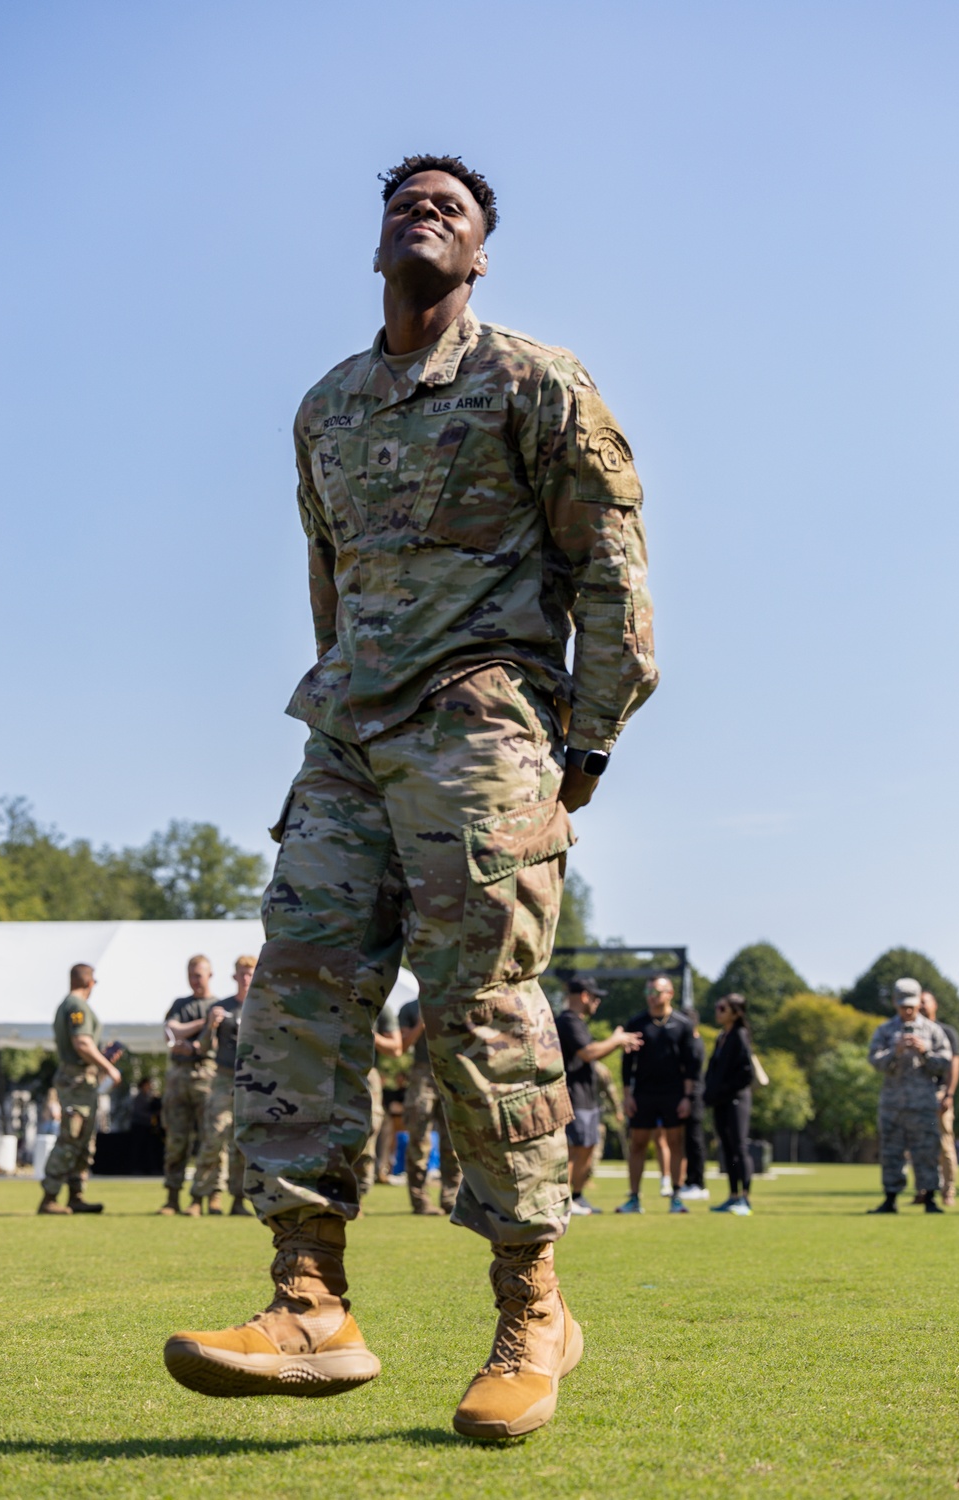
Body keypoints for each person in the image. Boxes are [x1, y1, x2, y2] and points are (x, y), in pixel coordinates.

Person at [163, 152, 657, 1442]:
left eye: (451, 206)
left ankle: (532, 1307)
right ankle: (309, 1303)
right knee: (297, 1000)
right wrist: (340, 694)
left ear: (481, 252)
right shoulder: (326, 406)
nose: (423, 213)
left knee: (478, 1010)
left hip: (481, 724)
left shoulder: (532, 381)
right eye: (404, 202)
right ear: (375, 242)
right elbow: (329, 579)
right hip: (345, 738)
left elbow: (609, 566)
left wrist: (584, 740)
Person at [555, 977, 643, 1215]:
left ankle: (578, 1197)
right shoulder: (567, 1021)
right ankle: (564, 1203)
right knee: (575, 1148)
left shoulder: (579, 1022)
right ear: (584, 996)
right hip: (573, 1096)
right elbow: (588, 1053)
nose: (597, 1002)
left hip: (587, 1097)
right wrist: (616, 1040)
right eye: (595, 997)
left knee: (588, 1146)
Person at [38, 964, 121, 1215]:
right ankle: (49, 1197)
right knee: (71, 1137)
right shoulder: (77, 1006)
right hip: (77, 1080)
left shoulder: (70, 1005)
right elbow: (82, 1042)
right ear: (89, 982)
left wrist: (101, 1059)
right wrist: (108, 1066)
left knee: (84, 1138)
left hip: (82, 1080)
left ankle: (76, 1195)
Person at [867, 977, 952, 1215]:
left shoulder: (933, 1031)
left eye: (911, 1005)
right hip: (892, 1105)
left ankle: (930, 1197)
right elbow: (874, 1061)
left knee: (926, 1151)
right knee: (891, 1152)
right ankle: (890, 1198)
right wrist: (894, 1053)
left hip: (924, 1104)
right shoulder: (885, 1031)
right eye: (902, 1004)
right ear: (894, 1002)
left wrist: (925, 1052)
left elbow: (945, 1063)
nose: (907, 1009)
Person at [617, 976, 700, 1215]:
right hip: (642, 1093)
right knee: (638, 1144)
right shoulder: (637, 1023)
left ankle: (676, 1196)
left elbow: (690, 1066)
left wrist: (687, 1097)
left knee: (675, 1143)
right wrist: (627, 1095)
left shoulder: (683, 1024)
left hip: (674, 1094)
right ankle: (633, 1198)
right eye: (649, 991)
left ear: (670, 993)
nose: (652, 995)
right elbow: (627, 1064)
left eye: (657, 991)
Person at [188, 956, 258, 1216]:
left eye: (250, 974)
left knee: (244, 1142)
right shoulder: (222, 1007)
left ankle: (238, 1199)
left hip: (252, 1083)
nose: (246, 979)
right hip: (224, 1078)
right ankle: (198, 1197)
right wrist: (210, 1025)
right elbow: (203, 1048)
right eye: (242, 974)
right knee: (214, 1136)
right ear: (234, 976)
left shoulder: (263, 1007)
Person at [158, 956, 218, 1216]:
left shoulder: (219, 1005)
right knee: (176, 1139)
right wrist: (204, 1025)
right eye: (191, 975)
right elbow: (170, 1031)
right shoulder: (180, 1004)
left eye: (199, 975)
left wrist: (188, 1036)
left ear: (210, 975)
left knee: (211, 1140)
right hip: (178, 1077)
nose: (195, 980)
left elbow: (217, 1042)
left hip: (207, 1076)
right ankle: (172, 1197)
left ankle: (210, 1196)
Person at [398, 995, 462, 1215]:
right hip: (422, 1074)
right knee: (419, 1140)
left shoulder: (454, 1004)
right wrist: (422, 1024)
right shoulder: (410, 1007)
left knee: (453, 1142)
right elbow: (403, 1045)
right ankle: (420, 1201)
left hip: (451, 1073)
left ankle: (451, 1199)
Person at [704, 993, 755, 1215]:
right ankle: (732, 1195)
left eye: (722, 1008)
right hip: (721, 1102)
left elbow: (746, 1073)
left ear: (736, 1012)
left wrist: (725, 1091)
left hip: (736, 1100)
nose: (718, 1011)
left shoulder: (740, 1035)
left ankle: (744, 1197)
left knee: (739, 1147)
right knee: (726, 1148)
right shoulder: (722, 1036)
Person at [355, 1003, 403, 1200]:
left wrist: (367, 1034)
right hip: (326, 1071)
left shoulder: (379, 1006)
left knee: (368, 1130)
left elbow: (397, 1048)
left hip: (365, 1072)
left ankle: (359, 1193)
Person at [919, 990, 959, 1208]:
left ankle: (948, 1190)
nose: (922, 1006)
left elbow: (954, 1064)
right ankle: (924, 1190)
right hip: (916, 1096)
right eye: (919, 1003)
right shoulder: (912, 1031)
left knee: (944, 1145)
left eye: (925, 1002)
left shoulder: (946, 1032)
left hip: (938, 1094)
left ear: (935, 1005)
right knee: (919, 1145)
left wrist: (949, 1094)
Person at [675, 1016, 709, 1201]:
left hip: (694, 1095)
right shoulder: (692, 1042)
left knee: (694, 1141)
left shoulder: (694, 1043)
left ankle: (697, 1182)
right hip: (690, 1095)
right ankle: (691, 1181)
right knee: (689, 1140)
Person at [129, 1077, 163, 1176]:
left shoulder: (151, 1096)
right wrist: (153, 1115)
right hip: (139, 1125)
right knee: (138, 1148)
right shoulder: (139, 1098)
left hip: (148, 1126)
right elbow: (138, 1112)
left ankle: (151, 1169)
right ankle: (136, 1169)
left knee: (150, 1149)